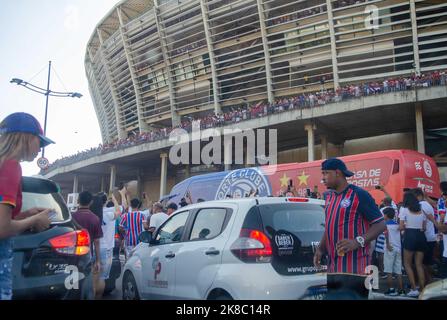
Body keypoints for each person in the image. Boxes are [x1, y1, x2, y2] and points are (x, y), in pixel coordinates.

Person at [313, 158, 385, 300]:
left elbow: (380, 224)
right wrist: (321, 249)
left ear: (338, 173)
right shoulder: (329, 197)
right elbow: (330, 226)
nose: (323, 178)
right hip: (333, 269)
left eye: (326, 173)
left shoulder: (359, 195)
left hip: (355, 270)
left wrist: (357, 241)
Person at [0, 112, 53, 300]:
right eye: (40, 141)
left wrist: (26, 215)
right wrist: (35, 219)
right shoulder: (10, 166)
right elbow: (2, 228)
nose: (41, 148)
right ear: (27, 138)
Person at [399, 191, 427, 297]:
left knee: (407, 264)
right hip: (420, 236)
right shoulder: (421, 209)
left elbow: (401, 226)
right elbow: (424, 227)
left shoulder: (404, 209)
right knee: (419, 264)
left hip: (410, 235)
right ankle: (422, 289)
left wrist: (403, 226)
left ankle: (414, 288)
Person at [72, 191, 103, 280]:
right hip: (88, 255)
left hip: (72, 255)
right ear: (91, 202)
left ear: (78, 200)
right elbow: (97, 241)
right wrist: (98, 260)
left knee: (72, 282)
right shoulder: (95, 219)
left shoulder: (72, 217)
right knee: (87, 280)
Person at [96, 193, 121, 299]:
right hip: (106, 248)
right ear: (105, 201)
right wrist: (115, 199)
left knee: (93, 275)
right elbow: (119, 211)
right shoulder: (109, 213)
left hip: (94, 247)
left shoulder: (93, 213)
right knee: (102, 277)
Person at [413, 188, 436, 285]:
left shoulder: (420, 205)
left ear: (418, 196)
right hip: (431, 237)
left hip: (424, 238)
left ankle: (428, 282)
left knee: (420, 263)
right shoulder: (428, 205)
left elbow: (422, 224)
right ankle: (429, 281)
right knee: (426, 262)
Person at [383, 207, 405, 296]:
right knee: (398, 271)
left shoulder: (385, 224)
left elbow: (386, 234)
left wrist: (388, 244)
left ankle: (391, 289)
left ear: (386, 215)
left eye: (384, 214)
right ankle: (401, 290)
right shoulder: (397, 224)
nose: (383, 215)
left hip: (390, 248)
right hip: (398, 248)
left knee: (389, 270)